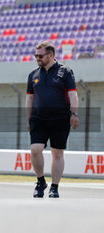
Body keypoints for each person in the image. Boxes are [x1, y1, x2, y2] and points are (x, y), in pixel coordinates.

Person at [26, 41, 80, 198]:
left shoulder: (66, 72)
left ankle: (55, 187)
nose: (37, 58)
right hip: (38, 118)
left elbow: (73, 94)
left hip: (60, 118)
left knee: (57, 153)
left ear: (51, 55)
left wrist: (74, 114)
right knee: (35, 150)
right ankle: (40, 181)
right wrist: (28, 118)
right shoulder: (33, 74)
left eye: (40, 55)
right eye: (36, 55)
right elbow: (29, 99)